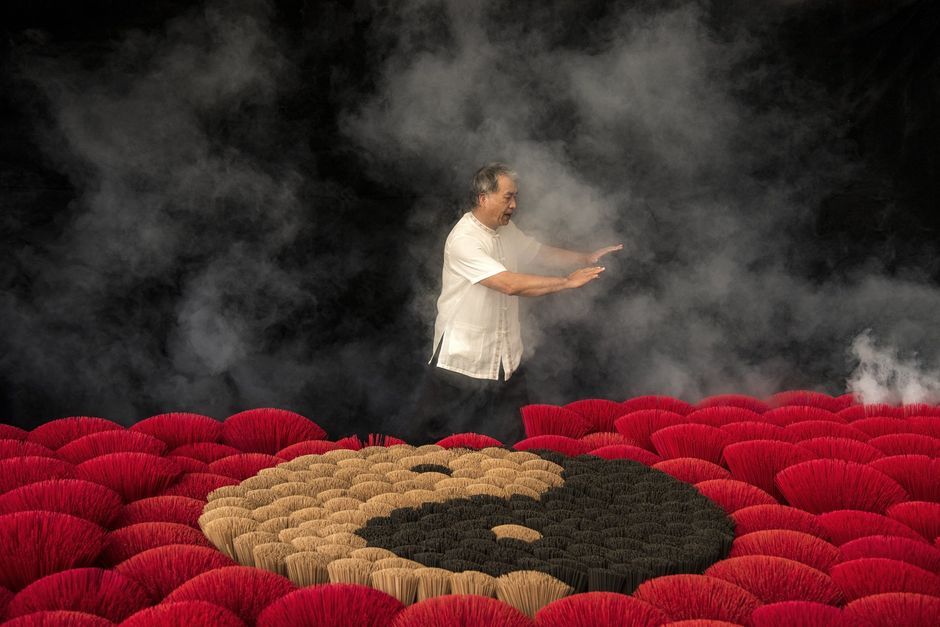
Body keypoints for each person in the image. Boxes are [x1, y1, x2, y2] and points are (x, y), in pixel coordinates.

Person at [408, 162, 622, 445]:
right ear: (484, 198)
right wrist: (567, 282)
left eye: (515, 197)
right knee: (427, 439)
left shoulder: (505, 229)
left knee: (513, 437)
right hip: (462, 357)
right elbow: (509, 284)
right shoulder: (464, 240)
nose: (514, 204)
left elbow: (538, 253)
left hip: (505, 355)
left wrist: (584, 258)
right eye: (507, 197)